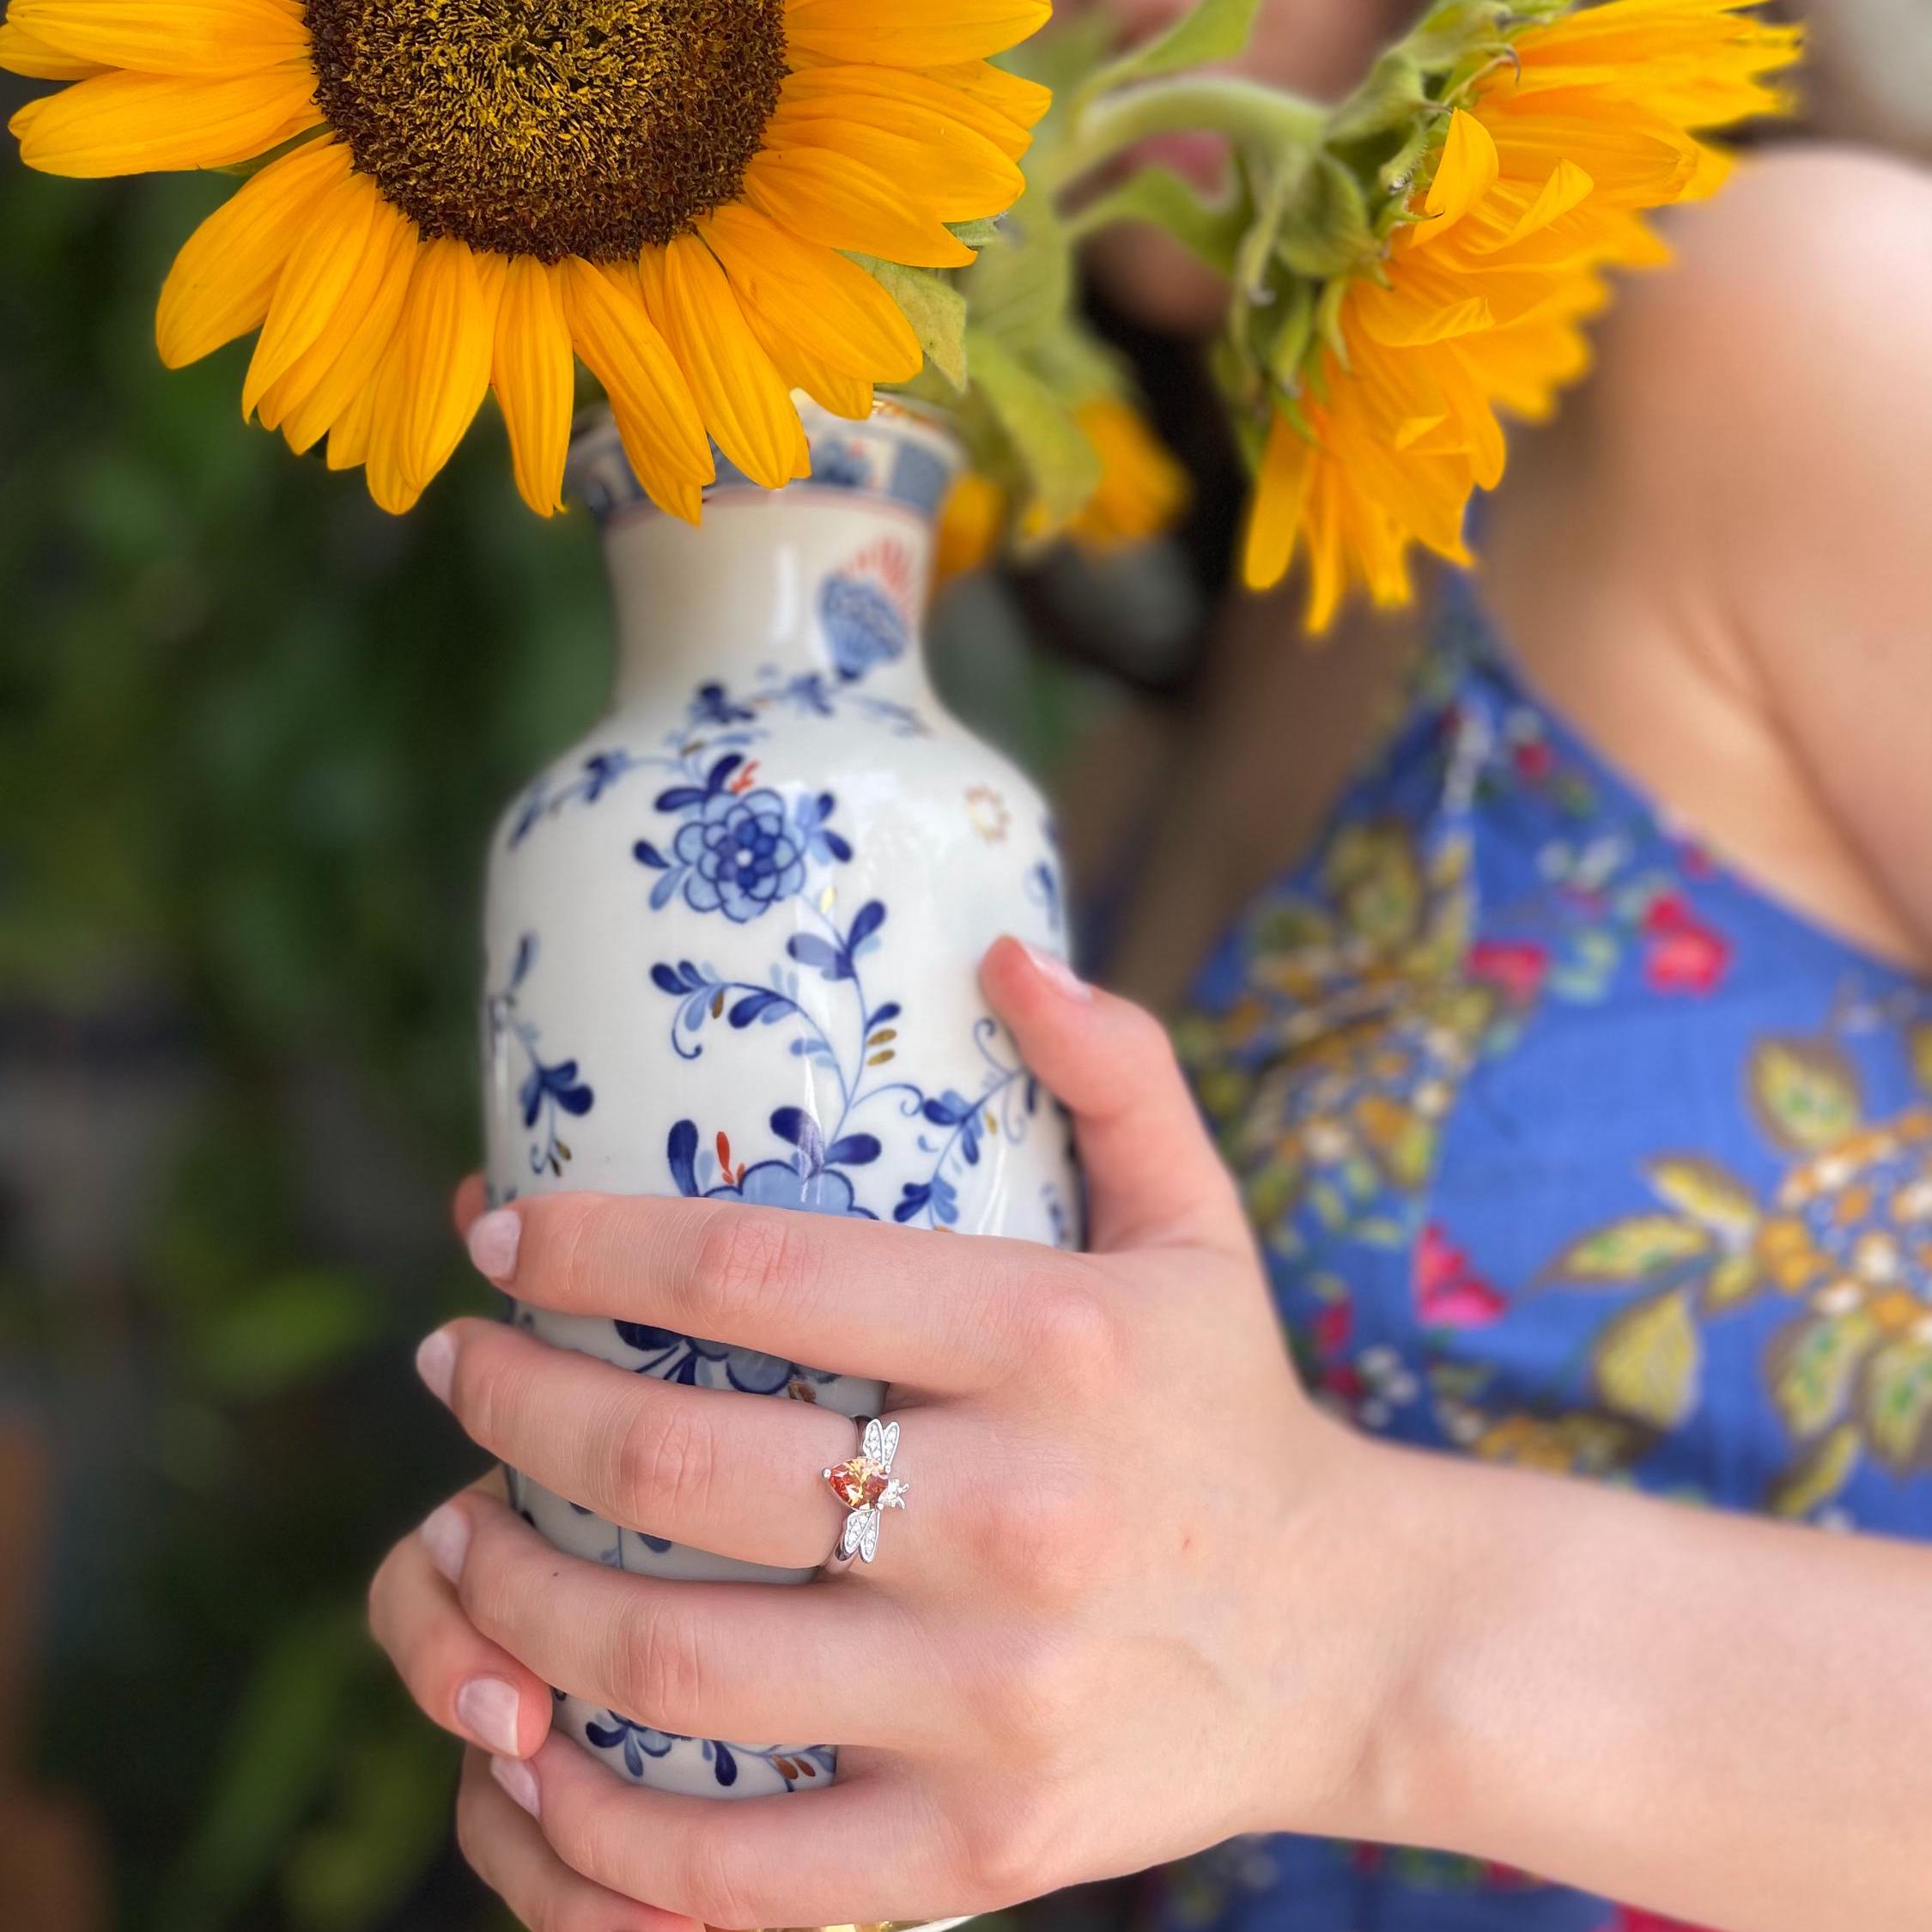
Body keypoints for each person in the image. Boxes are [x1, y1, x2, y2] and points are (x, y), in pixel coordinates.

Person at [368, 3, 1932, 1928]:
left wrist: (1342, 1623)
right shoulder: (1146, 753)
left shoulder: (1805, 321)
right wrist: (704, 1690)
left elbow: (1253, 1619)